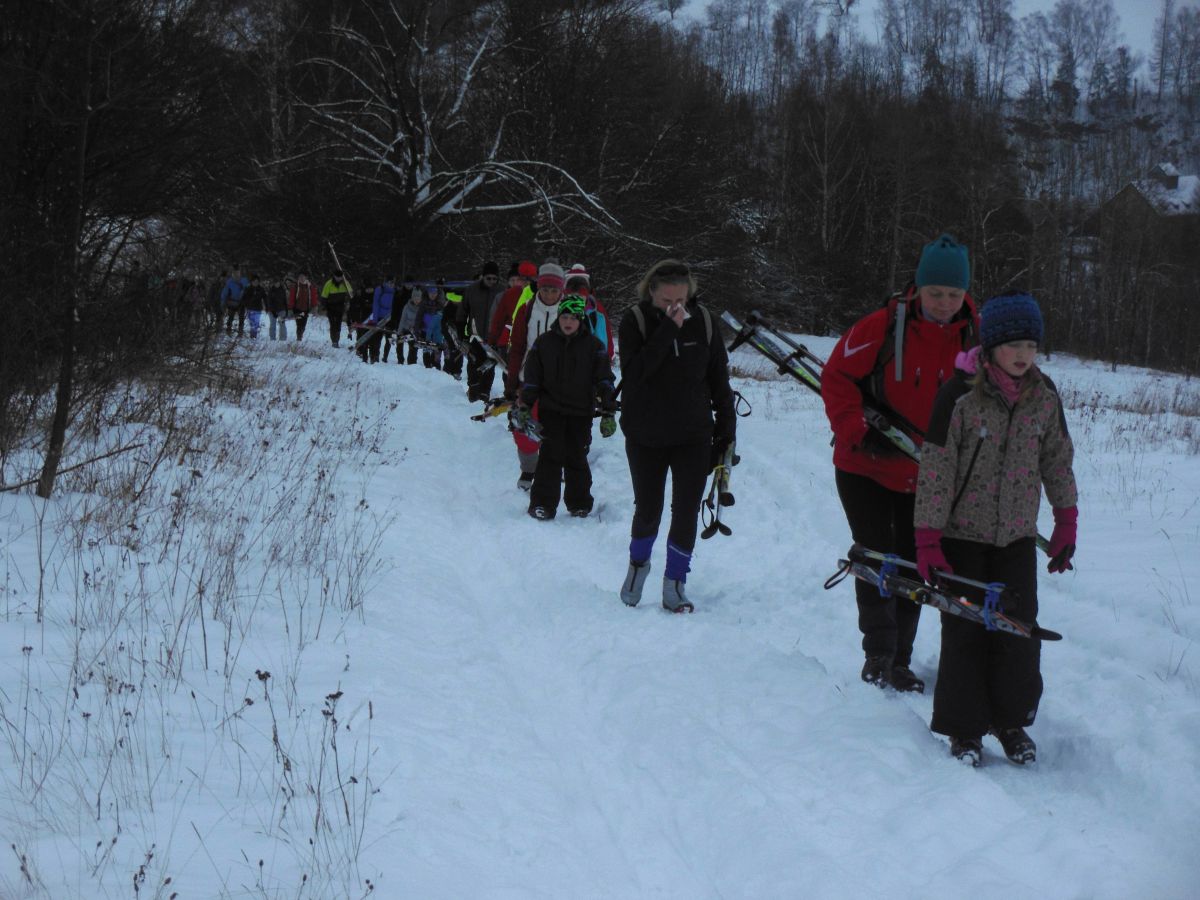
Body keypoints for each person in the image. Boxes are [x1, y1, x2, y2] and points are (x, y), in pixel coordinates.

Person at [914, 293, 1077, 767]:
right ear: (989, 347)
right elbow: (937, 470)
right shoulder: (959, 396)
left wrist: (1066, 521)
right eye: (1013, 344)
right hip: (961, 538)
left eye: (1031, 344)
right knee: (965, 634)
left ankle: (1010, 722)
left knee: (1017, 634)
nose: (1023, 354)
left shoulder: (1044, 398)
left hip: (1016, 540)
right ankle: (964, 729)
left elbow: (1058, 462)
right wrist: (927, 538)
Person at [821, 233, 980, 692]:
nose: (945, 303)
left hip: (928, 475)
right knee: (875, 556)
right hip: (865, 465)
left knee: (914, 565)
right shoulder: (882, 325)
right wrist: (858, 432)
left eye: (954, 293)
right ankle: (878, 653)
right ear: (919, 287)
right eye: (936, 293)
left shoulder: (978, 337)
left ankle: (902, 660)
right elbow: (837, 378)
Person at [617, 259, 735, 614]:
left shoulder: (706, 323)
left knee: (685, 510)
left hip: (693, 435)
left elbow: (719, 381)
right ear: (651, 291)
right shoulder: (634, 321)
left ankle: (675, 584)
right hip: (645, 434)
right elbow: (636, 374)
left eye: (681, 301)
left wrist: (727, 432)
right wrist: (668, 328)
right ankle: (638, 567)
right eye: (668, 302)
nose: (676, 308)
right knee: (648, 508)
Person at [519, 294, 617, 519]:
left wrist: (608, 408)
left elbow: (603, 378)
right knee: (550, 457)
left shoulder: (594, 346)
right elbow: (533, 378)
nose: (568, 321)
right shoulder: (544, 343)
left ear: (580, 318)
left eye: (573, 317)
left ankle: (579, 503)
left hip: (581, 412)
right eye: (564, 316)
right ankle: (542, 504)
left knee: (577, 457)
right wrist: (525, 405)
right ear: (559, 316)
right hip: (551, 409)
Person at [503, 262, 566, 490]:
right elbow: (518, 346)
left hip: (558, 382)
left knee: (556, 428)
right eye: (545, 288)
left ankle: (553, 468)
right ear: (539, 287)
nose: (549, 294)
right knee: (523, 427)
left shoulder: (568, 311)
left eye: (554, 289)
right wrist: (512, 382)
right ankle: (529, 469)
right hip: (527, 379)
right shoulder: (527, 310)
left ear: (561, 291)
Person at [459, 261, 504, 400]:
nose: (492, 281)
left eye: (494, 279)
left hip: (493, 338)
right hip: (474, 335)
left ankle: (485, 392)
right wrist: (462, 334)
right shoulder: (471, 290)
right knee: (474, 363)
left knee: (489, 365)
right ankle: (473, 389)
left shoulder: (502, 291)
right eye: (488, 278)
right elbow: (462, 312)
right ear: (483, 277)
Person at [487, 260, 538, 352]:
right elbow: (498, 320)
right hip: (510, 342)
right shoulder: (510, 294)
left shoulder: (542, 294)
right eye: (522, 279)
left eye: (529, 279)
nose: (526, 282)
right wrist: (492, 341)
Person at [363, 276, 399, 364]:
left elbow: (396, 304)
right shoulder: (380, 289)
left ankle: (385, 357)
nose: (391, 285)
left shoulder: (396, 291)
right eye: (390, 283)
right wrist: (375, 319)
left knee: (389, 338)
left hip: (390, 317)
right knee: (376, 338)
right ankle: (375, 356)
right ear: (386, 282)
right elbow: (376, 304)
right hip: (379, 317)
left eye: (393, 283)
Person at [320, 269, 353, 347]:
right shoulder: (328, 284)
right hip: (330, 307)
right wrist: (324, 306)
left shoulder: (345, 283)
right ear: (334, 276)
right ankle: (334, 341)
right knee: (333, 324)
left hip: (340, 307)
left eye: (340, 277)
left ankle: (336, 340)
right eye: (337, 277)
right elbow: (324, 296)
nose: (339, 278)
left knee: (338, 324)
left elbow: (351, 293)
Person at [418, 281, 446, 368]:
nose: (433, 295)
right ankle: (427, 365)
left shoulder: (440, 304)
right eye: (431, 293)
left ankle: (436, 365)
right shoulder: (423, 303)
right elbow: (418, 317)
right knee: (426, 349)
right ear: (428, 293)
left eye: (435, 293)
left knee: (436, 349)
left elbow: (442, 317)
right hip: (425, 329)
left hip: (436, 331)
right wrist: (417, 328)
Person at [396, 281, 423, 364]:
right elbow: (403, 319)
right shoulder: (407, 306)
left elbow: (422, 320)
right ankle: (400, 360)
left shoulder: (422, 307)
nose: (417, 300)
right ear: (412, 297)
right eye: (415, 298)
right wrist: (399, 332)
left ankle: (412, 361)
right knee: (399, 341)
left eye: (419, 298)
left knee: (413, 344)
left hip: (415, 330)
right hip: (406, 329)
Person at [289, 272, 318, 341]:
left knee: (303, 325)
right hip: (297, 309)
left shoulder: (310, 287)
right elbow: (291, 298)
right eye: (300, 277)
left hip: (306, 309)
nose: (302, 278)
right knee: (299, 324)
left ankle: (300, 334)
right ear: (298, 278)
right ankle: (299, 337)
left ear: (306, 278)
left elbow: (313, 297)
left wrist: (314, 307)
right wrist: (290, 308)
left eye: (303, 277)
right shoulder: (295, 286)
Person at [220, 266, 249, 335]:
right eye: (235, 273)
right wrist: (223, 301)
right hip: (232, 302)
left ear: (240, 273)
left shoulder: (244, 280)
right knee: (230, 317)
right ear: (232, 273)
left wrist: (248, 302)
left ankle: (240, 331)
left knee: (241, 318)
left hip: (241, 303)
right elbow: (225, 292)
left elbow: (248, 291)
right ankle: (228, 330)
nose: (236, 274)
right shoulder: (229, 281)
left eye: (238, 272)